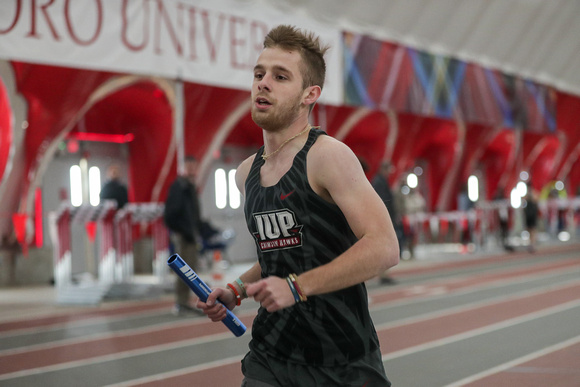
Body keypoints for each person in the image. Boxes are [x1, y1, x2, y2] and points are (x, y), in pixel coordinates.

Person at [197, 25, 399, 387]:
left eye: (280, 76)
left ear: (310, 94)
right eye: (259, 74)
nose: (263, 83)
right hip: (271, 356)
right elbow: (282, 253)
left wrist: (296, 287)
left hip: (341, 359)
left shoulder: (328, 157)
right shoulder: (246, 174)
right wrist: (236, 290)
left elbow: (384, 247)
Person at [164, 156, 204, 315]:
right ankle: (181, 302)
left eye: (194, 167)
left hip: (191, 234)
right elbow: (170, 215)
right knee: (183, 270)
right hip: (183, 235)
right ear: (183, 168)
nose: (193, 170)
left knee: (190, 269)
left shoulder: (190, 187)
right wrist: (183, 231)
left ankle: (184, 301)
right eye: (189, 167)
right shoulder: (179, 187)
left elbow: (193, 214)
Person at [372, 162, 400, 285]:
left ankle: (384, 273)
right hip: (382, 219)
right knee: (383, 246)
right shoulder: (379, 182)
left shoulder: (382, 181)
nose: (389, 173)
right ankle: (382, 273)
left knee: (384, 246)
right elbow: (383, 202)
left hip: (384, 218)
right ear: (383, 169)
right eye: (388, 170)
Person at [524, 184, 539, 252]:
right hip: (528, 215)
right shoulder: (526, 195)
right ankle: (530, 244)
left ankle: (533, 244)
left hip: (533, 215)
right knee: (529, 230)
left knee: (533, 230)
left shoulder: (534, 193)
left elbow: (536, 199)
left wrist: (531, 196)